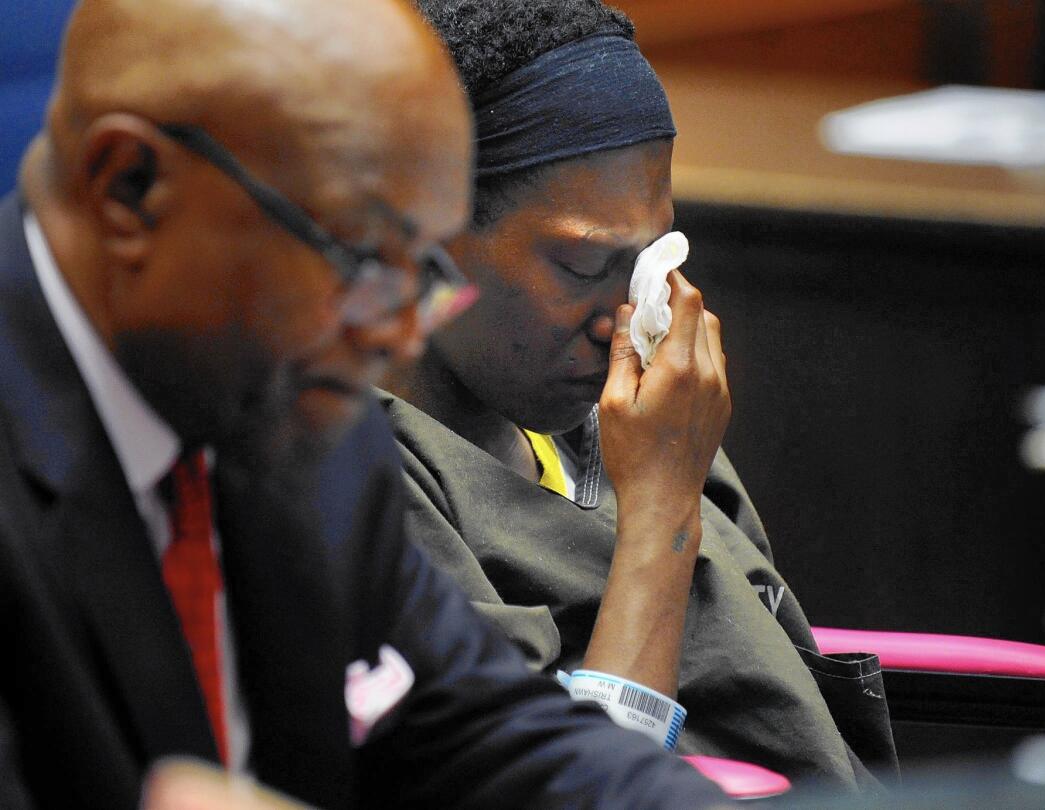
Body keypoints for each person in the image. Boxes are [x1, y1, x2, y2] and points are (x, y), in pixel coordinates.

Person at [0, 0, 733, 807]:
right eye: (357, 260)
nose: (396, 335)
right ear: (130, 190)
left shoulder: (305, 413)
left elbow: (488, 731)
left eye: (423, 271)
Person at [380, 0, 896, 791]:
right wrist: (659, 511)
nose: (626, 319)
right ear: (425, 238)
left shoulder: (619, 412)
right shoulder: (376, 479)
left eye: (652, 258)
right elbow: (562, 791)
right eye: (585, 268)